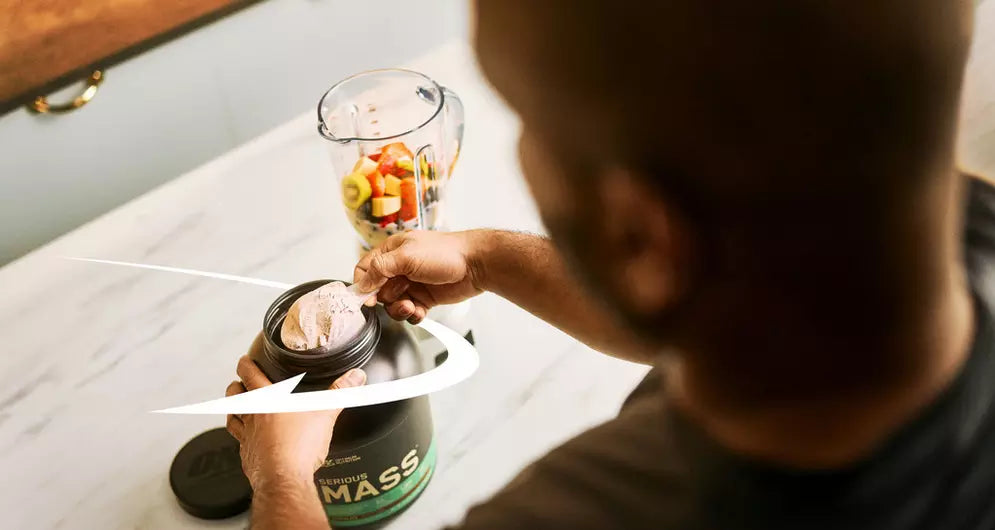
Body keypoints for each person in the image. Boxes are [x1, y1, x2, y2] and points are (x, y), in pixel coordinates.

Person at [225, 0, 994, 527]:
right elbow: (748, 295)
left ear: (643, 242)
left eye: (528, 121)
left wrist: (283, 481)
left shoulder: (578, 514)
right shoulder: (950, 224)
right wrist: (490, 258)